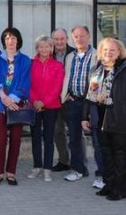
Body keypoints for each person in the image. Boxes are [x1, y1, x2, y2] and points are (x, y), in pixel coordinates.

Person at [82, 38, 126, 201]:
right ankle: (109, 184)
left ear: (119, 52)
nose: (108, 53)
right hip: (100, 118)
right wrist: (85, 116)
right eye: (105, 50)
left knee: (120, 155)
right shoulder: (96, 69)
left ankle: (120, 189)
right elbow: (88, 95)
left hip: (121, 119)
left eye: (112, 50)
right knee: (106, 154)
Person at [61, 26, 104, 189]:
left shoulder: (97, 56)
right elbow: (67, 77)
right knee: (74, 139)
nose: (79, 39)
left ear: (89, 36)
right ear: (73, 39)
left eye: (82, 36)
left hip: (92, 103)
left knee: (97, 140)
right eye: (76, 37)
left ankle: (101, 175)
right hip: (73, 102)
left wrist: (92, 100)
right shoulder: (70, 56)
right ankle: (78, 169)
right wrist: (65, 96)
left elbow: (98, 81)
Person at [0, 27, 30, 186]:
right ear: (4, 41)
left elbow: (25, 83)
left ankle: (11, 173)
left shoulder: (25, 60)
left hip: (16, 106)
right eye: (7, 38)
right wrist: (4, 97)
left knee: (15, 139)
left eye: (13, 38)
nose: (10, 41)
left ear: (18, 40)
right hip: (0, 104)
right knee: (0, 139)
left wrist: (12, 99)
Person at [28, 36, 64, 182]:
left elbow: (57, 87)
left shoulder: (57, 65)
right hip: (34, 106)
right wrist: (34, 100)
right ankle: (37, 166)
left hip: (51, 106)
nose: (44, 49)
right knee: (35, 137)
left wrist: (45, 102)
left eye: (47, 46)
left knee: (49, 138)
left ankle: (47, 168)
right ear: (37, 48)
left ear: (51, 48)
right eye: (41, 47)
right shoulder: (31, 64)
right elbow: (27, 84)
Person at [51, 28, 75, 173]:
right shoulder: (48, 53)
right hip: (54, 99)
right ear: (52, 40)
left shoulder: (74, 53)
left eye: (62, 39)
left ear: (67, 39)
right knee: (57, 131)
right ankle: (64, 161)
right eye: (56, 39)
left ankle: (79, 162)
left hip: (71, 98)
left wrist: (71, 92)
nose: (59, 42)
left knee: (76, 133)